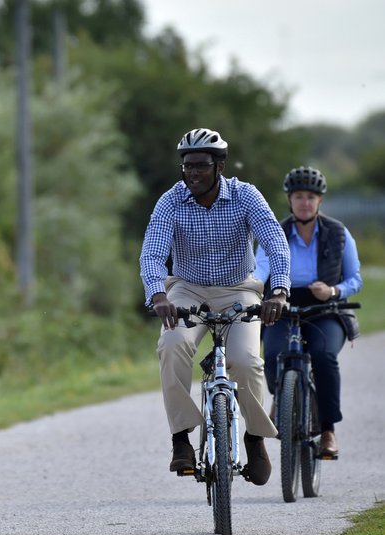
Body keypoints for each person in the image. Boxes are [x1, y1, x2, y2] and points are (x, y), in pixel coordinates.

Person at [139, 127, 291, 486]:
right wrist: (158, 294)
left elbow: (275, 242)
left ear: (219, 166)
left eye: (200, 166)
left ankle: (254, 440)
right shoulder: (171, 201)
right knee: (172, 345)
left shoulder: (245, 196)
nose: (192, 174)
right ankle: (181, 439)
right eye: (187, 167)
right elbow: (153, 252)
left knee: (246, 361)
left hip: (239, 289)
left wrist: (279, 291)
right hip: (187, 288)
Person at [255, 166, 362, 458]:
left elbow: (355, 279)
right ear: (289, 200)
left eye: (311, 197)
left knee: (323, 355)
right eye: (299, 196)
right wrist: (253, 286)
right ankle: (282, 394)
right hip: (283, 304)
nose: (305, 202)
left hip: (326, 307)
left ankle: (328, 430)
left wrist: (333, 291)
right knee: (274, 353)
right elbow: (261, 268)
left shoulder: (338, 233)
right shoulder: (275, 232)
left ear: (320, 201)